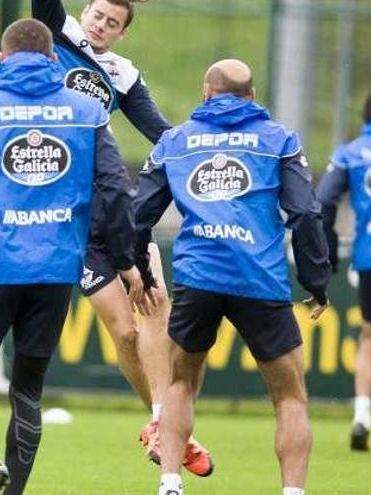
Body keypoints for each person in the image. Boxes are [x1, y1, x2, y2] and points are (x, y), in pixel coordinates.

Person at [0, 18, 141, 494]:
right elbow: (116, 190)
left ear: (3, 59)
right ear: (52, 59)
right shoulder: (87, 111)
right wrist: (124, 258)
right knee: (27, 391)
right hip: (58, 269)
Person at [30, 0, 215, 473]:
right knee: (127, 333)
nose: (101, 25)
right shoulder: (59, 33)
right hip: (70, 215)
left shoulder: (122, 74)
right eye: (98, 15)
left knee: (157, 314)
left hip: (117, 208)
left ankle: (163, 424)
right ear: (84, 10)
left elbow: (162, 133)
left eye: (113, 23)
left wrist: (204, 155)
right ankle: (161, 420)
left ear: (122, 33)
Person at [133, 59, 330, 495]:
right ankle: (293, 492)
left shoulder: (175, 141)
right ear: (253, 97)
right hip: (259, 279)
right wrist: (317, 281)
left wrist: (141, 271)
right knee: (291, 397)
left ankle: (169, 483)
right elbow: (305, 213)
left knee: (182, 382)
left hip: (197, 277)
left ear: (206, 93)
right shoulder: (280, 140)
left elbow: (137, 214)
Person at [316, 91, 371, 451]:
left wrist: (329, 252)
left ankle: (361, 415)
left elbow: (322, 200)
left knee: (370, 337)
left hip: (369, 256)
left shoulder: (351, 153)